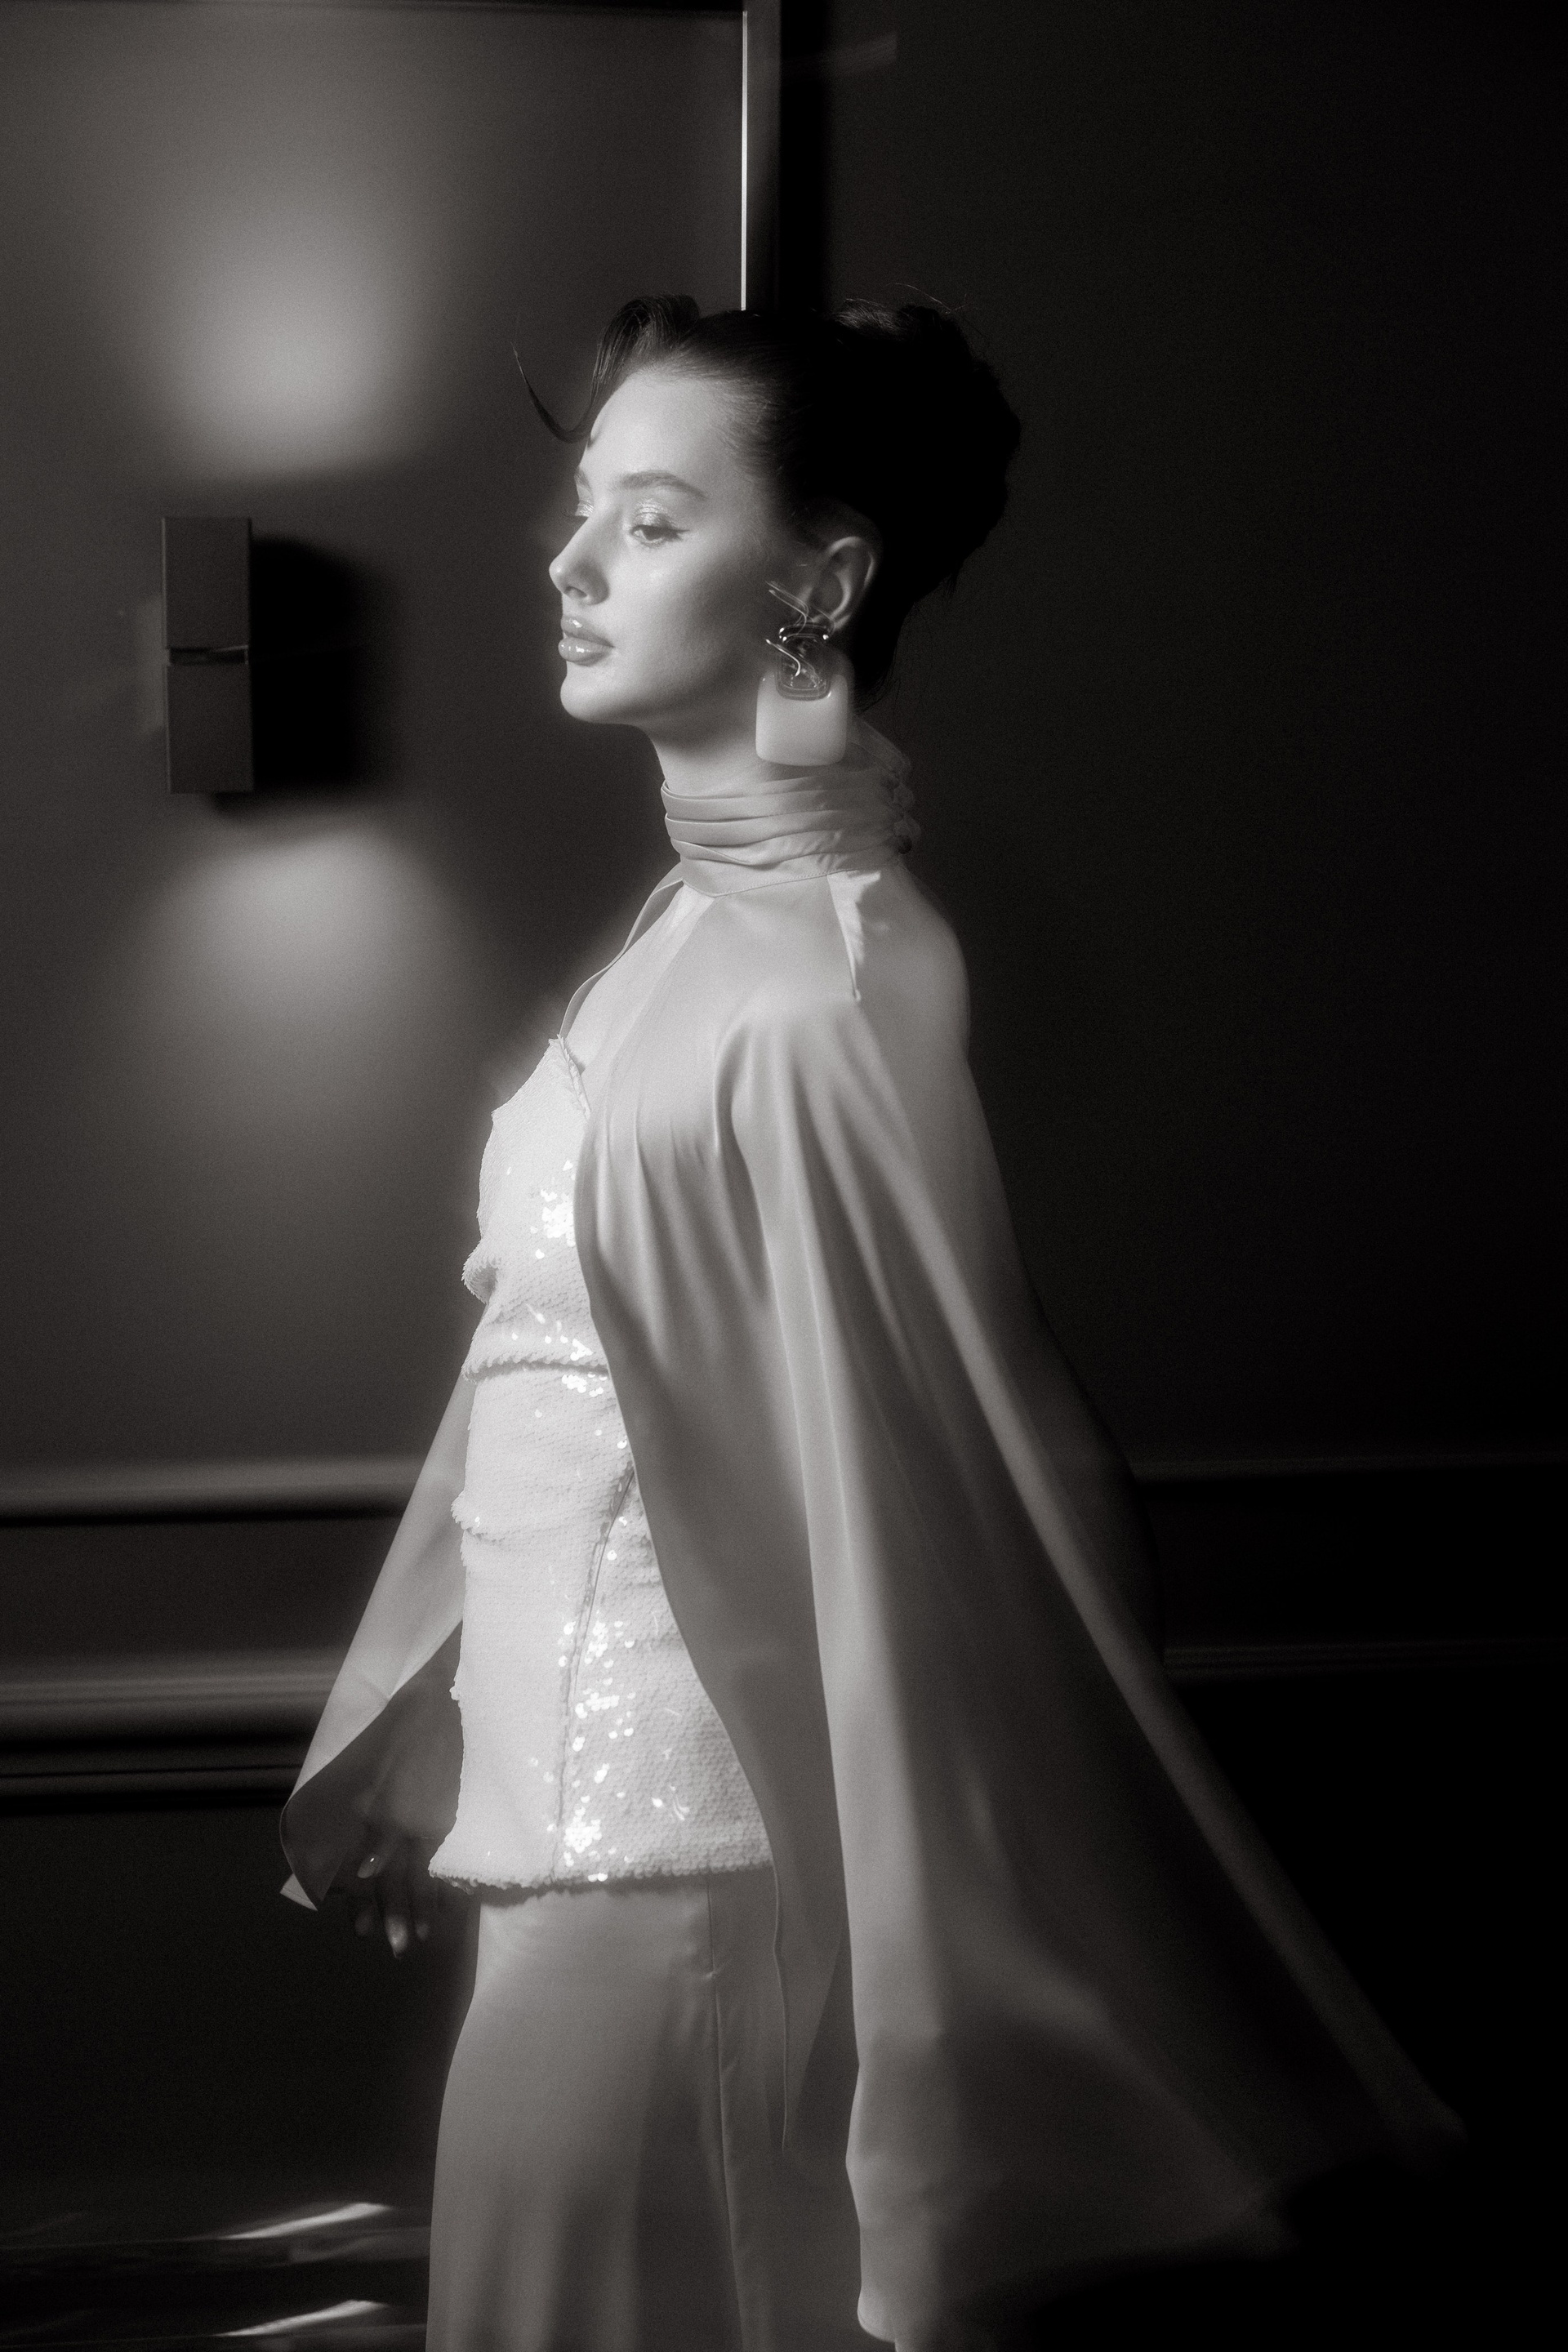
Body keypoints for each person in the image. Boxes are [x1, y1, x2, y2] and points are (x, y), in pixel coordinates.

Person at [282, 298, 1460, 2352]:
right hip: (566, 1854)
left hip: (684, 1890)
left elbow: (953, 1486)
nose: (572, 567)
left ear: (819, 582)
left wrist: (953, 2040)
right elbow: (562, 1372)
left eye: (653, 522)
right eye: (586, 511)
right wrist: (432, 1706)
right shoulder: (686, 933)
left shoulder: (819, 993)